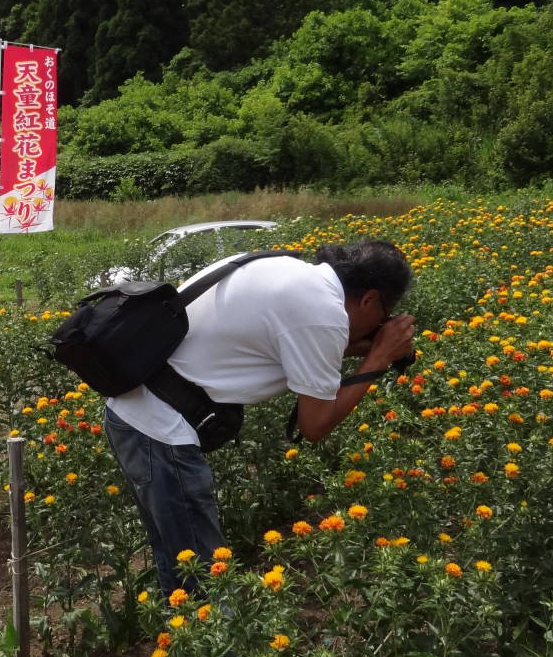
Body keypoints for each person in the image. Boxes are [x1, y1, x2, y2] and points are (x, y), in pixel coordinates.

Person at [103, 238, 415, 602]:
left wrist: (369, 347)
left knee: (177, 561)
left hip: (135, 411)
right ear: (369, 299)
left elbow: (297, 343)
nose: (383, 323)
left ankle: (183, 649)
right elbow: (315, 426)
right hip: (160, 431)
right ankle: (210, 656)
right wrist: (377, 359)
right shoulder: (322, 311)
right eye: (386, 314)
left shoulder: (287, 269)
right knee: (203, 576)